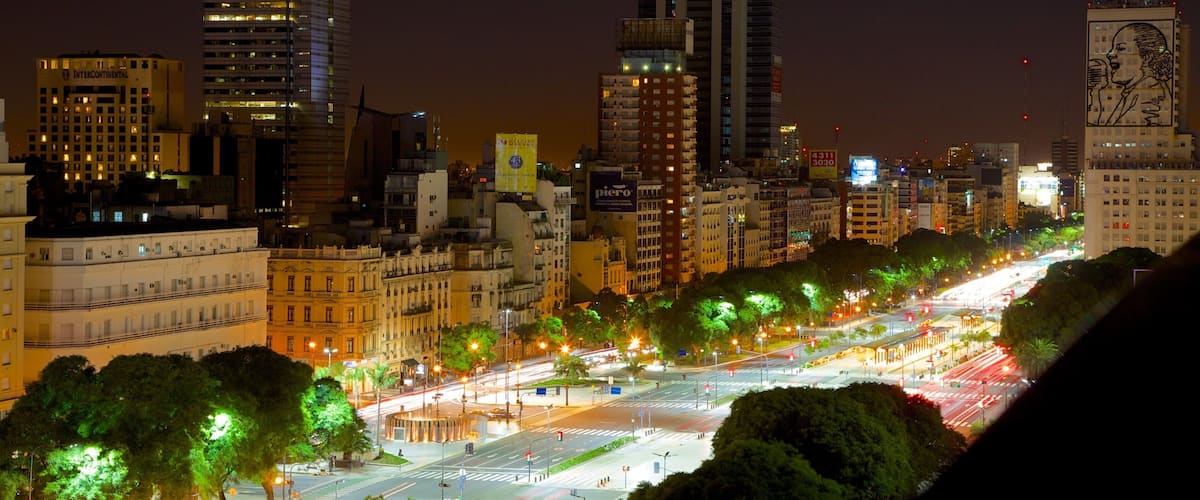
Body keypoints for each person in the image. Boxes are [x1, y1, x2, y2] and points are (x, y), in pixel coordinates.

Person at [1087, 22, 1173, 126]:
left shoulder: (1149, 95)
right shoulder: (1136, 91)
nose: (1110, 54)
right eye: (1113, 49)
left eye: (1121, 48)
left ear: (1146, 57)